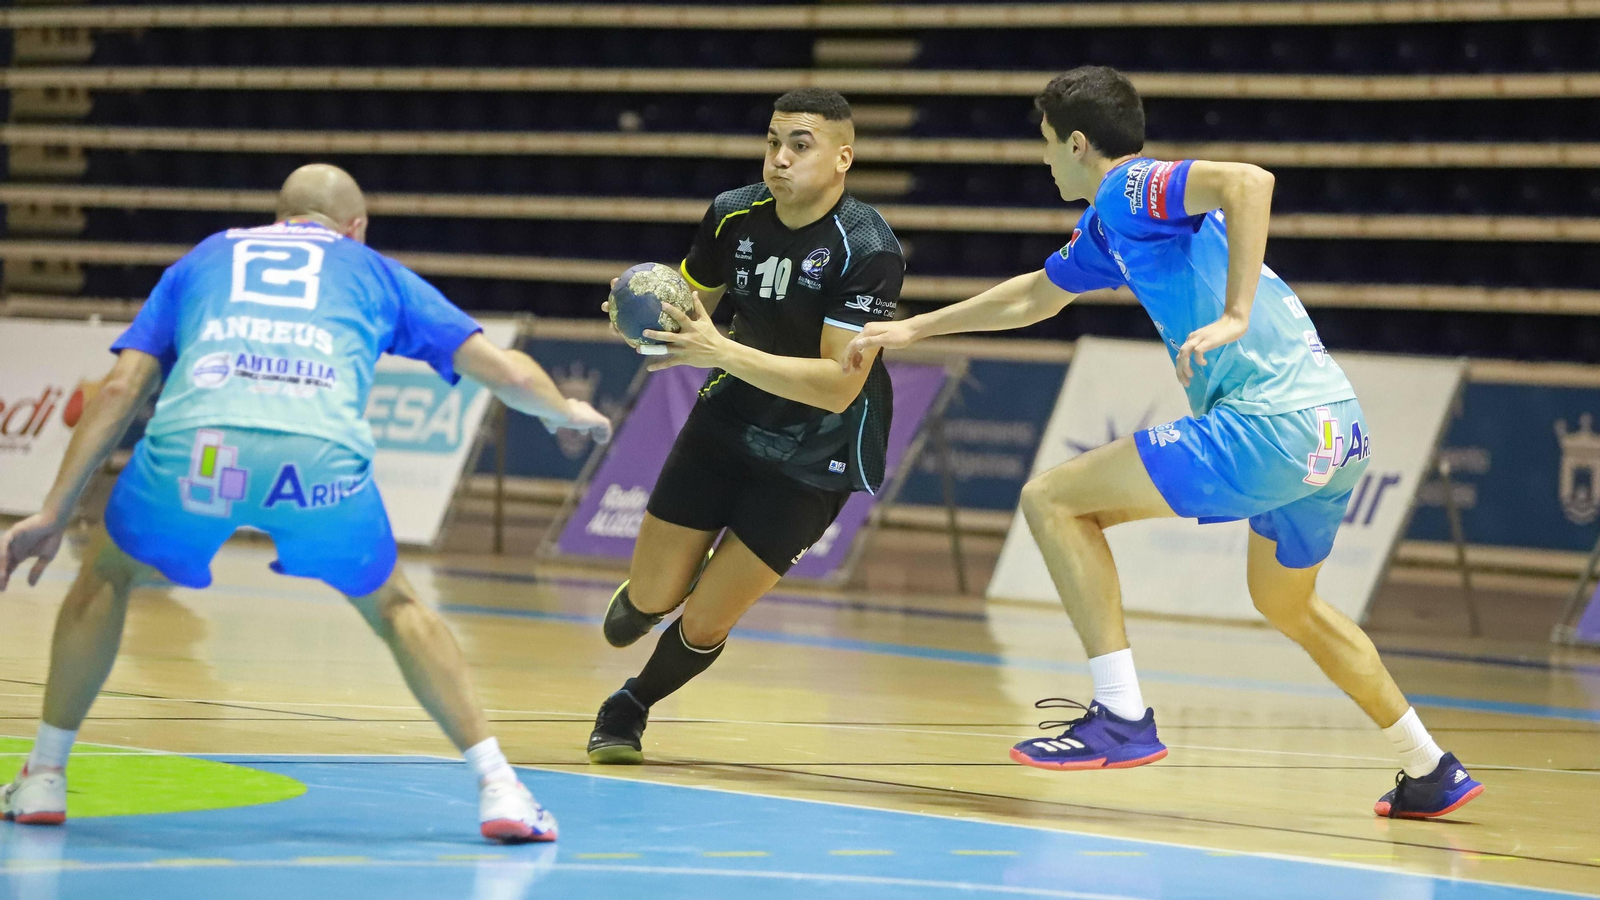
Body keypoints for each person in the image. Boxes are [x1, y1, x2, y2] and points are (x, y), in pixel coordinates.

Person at [843, 67, 1482, 820]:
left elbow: (1249, 182)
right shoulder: (1112, 229)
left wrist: (1237, 312)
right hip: (1337, 431)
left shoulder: (1127, 187)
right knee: (1288, 604)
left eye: (1048, 146)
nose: (1045, 162)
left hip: (1268, 424)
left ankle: (1119, 717)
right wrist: (914, 328)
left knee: (1053, 501)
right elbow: (1037, 295)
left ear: (1078, 143)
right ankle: (1428, 765)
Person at [0, 164, 613, 842]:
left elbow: (120, 390)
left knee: (106, 576)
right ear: (356, 228)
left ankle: (45, 776)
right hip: (315, 456)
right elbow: (502, 369)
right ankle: (500, 787)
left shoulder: (205, 257)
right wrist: (562, 409)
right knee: (397, 606)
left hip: (201, 450)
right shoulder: (371, 268)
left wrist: (54, 511)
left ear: (278, 216)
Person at [586, 88, 903, 763]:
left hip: (818, 449)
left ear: (843, 157)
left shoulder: (868, 247)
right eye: (772, 142)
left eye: (800, 144)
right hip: (729, 421)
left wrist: (719, 350)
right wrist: (642, 320)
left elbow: (840, 386)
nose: (779, 159)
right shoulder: (733, 216)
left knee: (706, 618)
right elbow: (688, 311)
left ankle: (629, 706)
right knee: (652, 596)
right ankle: (649, 598)